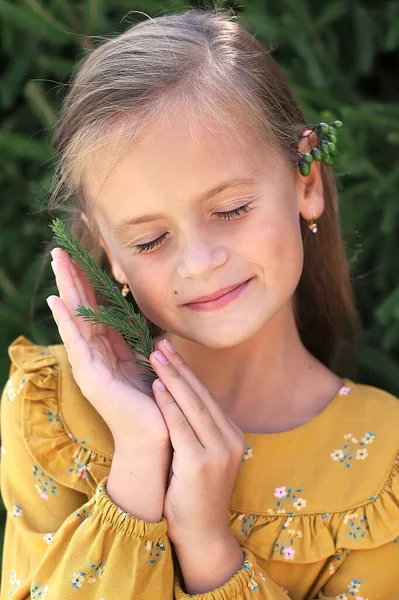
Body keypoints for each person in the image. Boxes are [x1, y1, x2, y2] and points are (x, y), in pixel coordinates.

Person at [1, 7, 398, 600]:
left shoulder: (383, 467)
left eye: (232, 209)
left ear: (306, 182)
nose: (198, 261)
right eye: (149, 240)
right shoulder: (54, 413)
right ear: (110, 252)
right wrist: (137, 463)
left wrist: (210, 548)